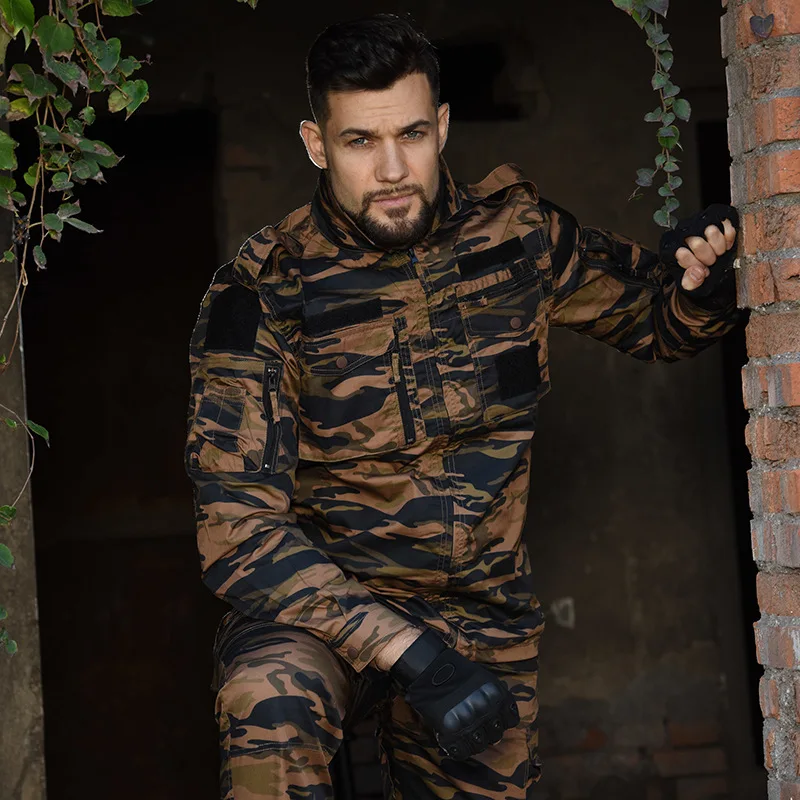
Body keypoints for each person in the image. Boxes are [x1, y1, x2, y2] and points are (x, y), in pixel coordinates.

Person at [185, 13, 740, 800]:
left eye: (411, 135)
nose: (391, 169)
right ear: (316, 144)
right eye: (359, 141)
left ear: (442, 127)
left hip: (481, 616)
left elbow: (657, 323)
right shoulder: (263, 290)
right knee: (268, 704)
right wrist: (412, 654)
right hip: (323, 614)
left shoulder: (518, 240)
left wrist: (704, 285)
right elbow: (237, 530)